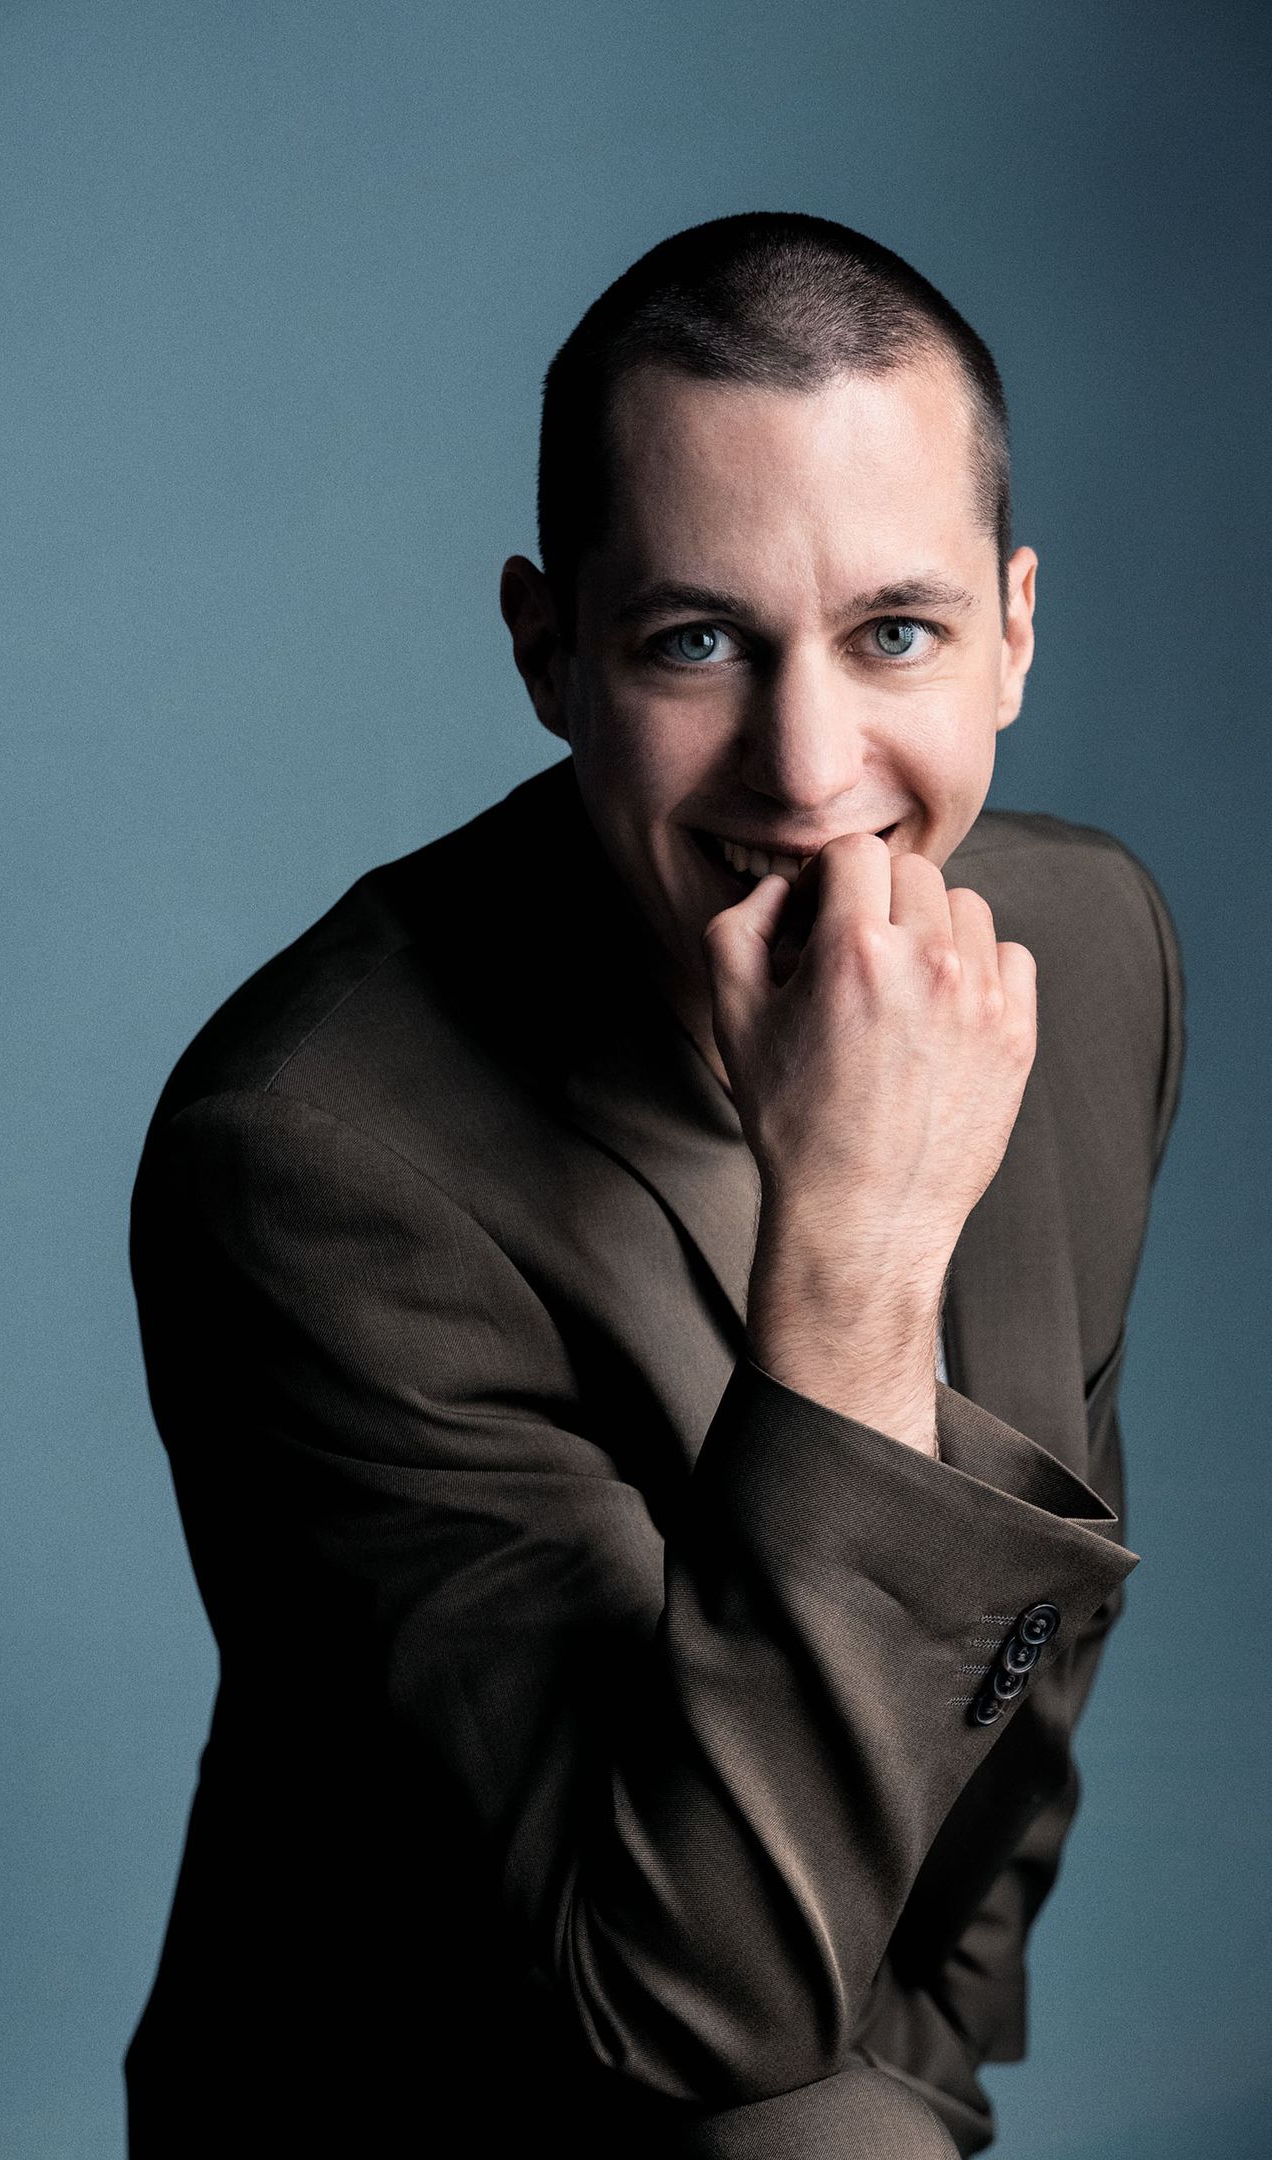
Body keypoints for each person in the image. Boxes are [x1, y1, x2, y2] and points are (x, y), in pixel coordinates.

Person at [124, 213, 1185, 2156]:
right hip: (455, 2085)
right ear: (549, 654)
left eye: (894, 633)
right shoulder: (308, 1159)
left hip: (826, 2049)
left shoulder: (1085, 948)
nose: (808, 770)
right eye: (696, 642)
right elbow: (677, 2004)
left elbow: (1022, 1670)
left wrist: (930, 2087)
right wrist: (856, 1246)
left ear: (1014, 632)